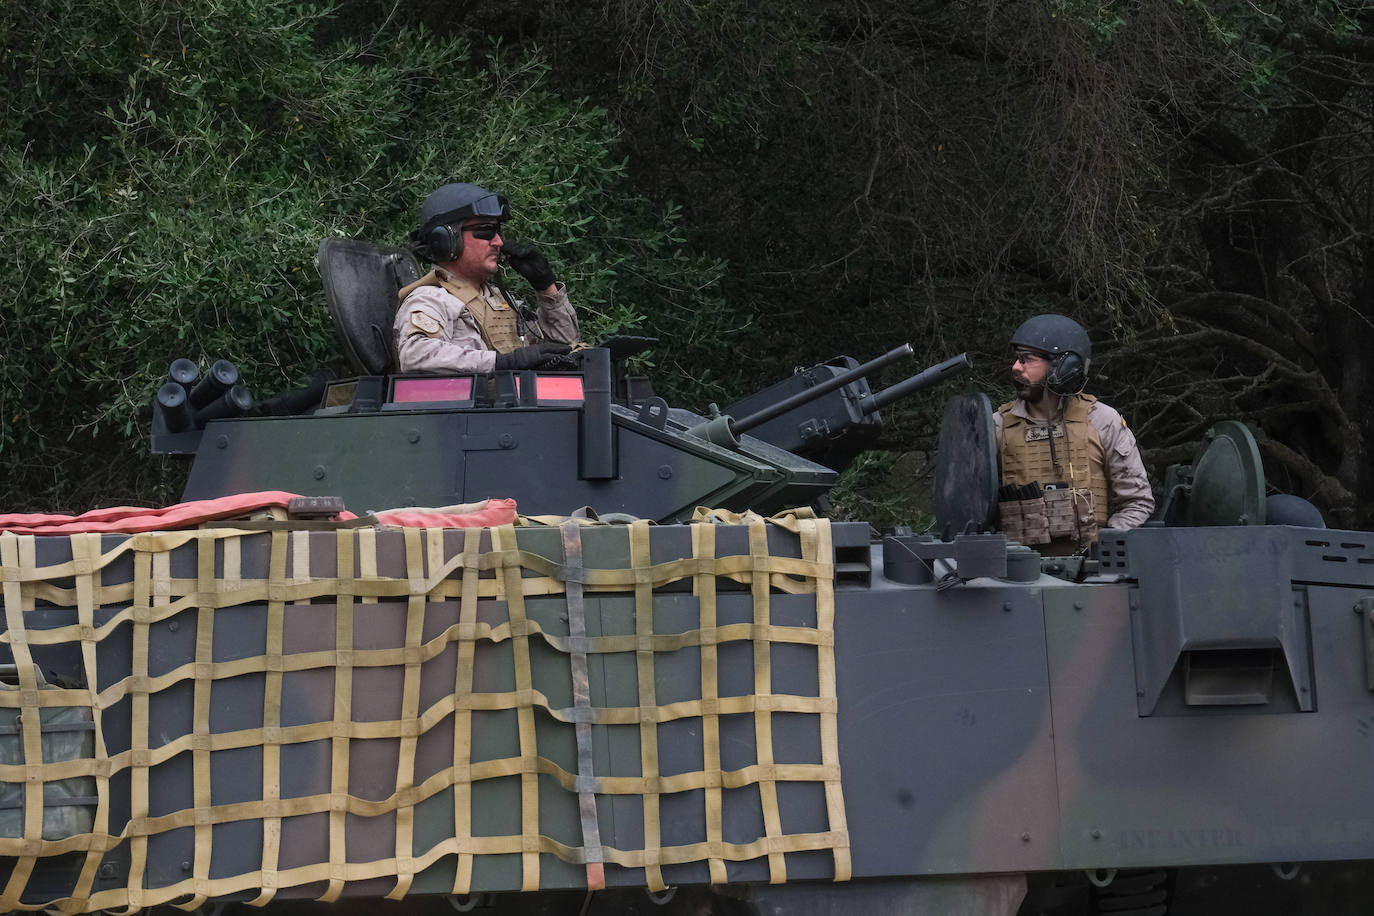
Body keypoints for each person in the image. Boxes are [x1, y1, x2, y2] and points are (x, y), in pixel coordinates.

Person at [993, 314, 1154, 553]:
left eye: (1027, 360)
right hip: (1018, 576)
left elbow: (1137, 501)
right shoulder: (997, 427)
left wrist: (1103, 550)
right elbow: (972, 513)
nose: (1015, 367)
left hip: (1091, 575)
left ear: (1064, 367)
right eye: (1016, 358)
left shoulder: (1102, 421)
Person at [393, 182, 580, 374]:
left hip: (516, 402)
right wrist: (502, 363)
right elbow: (415, 356)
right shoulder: (431, 299)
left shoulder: (500, 302)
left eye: (498, 231)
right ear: (446, 240)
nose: (498, 241)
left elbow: (564, 351)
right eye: (486, 231)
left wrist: (546, 288)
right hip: (471, 403)